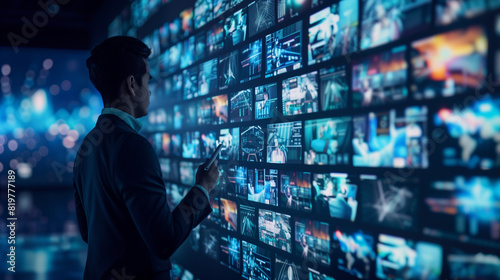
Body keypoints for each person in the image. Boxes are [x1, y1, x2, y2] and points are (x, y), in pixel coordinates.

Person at [73, 36, 220, 280]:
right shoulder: (133, 147)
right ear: (132, 85)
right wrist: (202, 188)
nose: (150, 90)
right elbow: (164, 241)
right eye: (147, 80)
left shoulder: (86, 146)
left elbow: (89, 232)